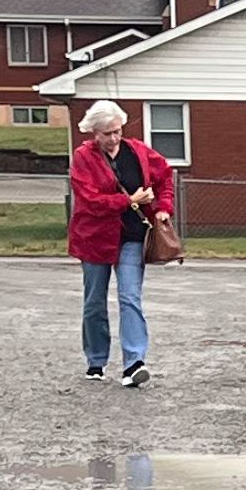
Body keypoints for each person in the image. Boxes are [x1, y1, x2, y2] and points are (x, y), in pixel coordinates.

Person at [67, 100, 173, 387]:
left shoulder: (138, 151)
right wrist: (129, 200)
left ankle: (134, 363)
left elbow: (165, 177)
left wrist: (163, 207)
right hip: (94, 239)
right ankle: (96, 360)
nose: (113, 138)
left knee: (130, 298)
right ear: (93, 132)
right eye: (106, 133)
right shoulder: (83, 158)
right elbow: (89, 200)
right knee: (94, 303)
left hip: (132, 237)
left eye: (116, 131)